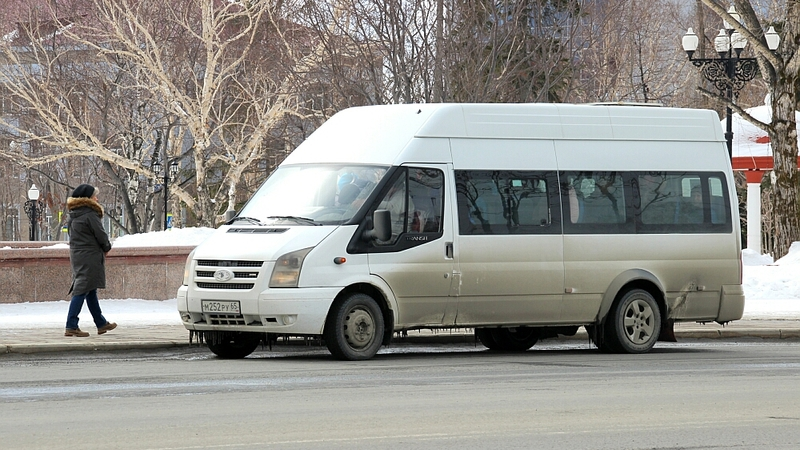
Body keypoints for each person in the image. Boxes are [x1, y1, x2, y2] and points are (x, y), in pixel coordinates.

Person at [64, 184, 117, 337]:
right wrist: (106, 247)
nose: (97, 198)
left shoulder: (73, 214)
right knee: (81, 289)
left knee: (90, 288)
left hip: (78, 255)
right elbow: (100, 234)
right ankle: (71, 325)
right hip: (90, 256)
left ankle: (101, 323)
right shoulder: (89, 214)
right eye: (95, 196)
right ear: (87, 199)